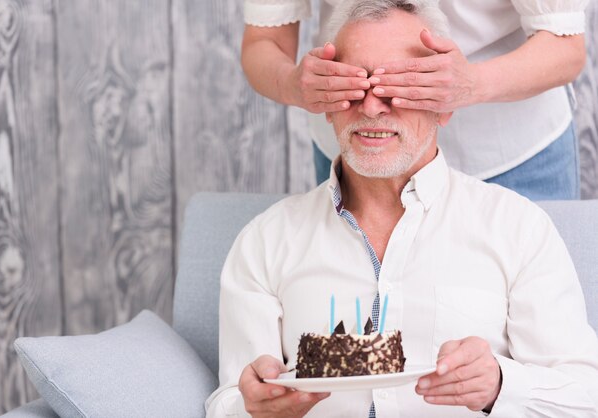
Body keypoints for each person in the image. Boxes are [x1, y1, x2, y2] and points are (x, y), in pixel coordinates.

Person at [207, 1, 598, 416]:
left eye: (401, 84)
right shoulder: (266, 243)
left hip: (512, 139)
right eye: (355, 84)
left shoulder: (519, 229)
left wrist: (502, 385)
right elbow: (265, 40)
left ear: (442, 103)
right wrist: (254, 409)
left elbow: (582, 396)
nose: (373, 105)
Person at [241, 0, 588, 200]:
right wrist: (291, 84)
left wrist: (472, 84)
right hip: (358, 163)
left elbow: (565, 47)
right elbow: (263, 42)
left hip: (510, 159)